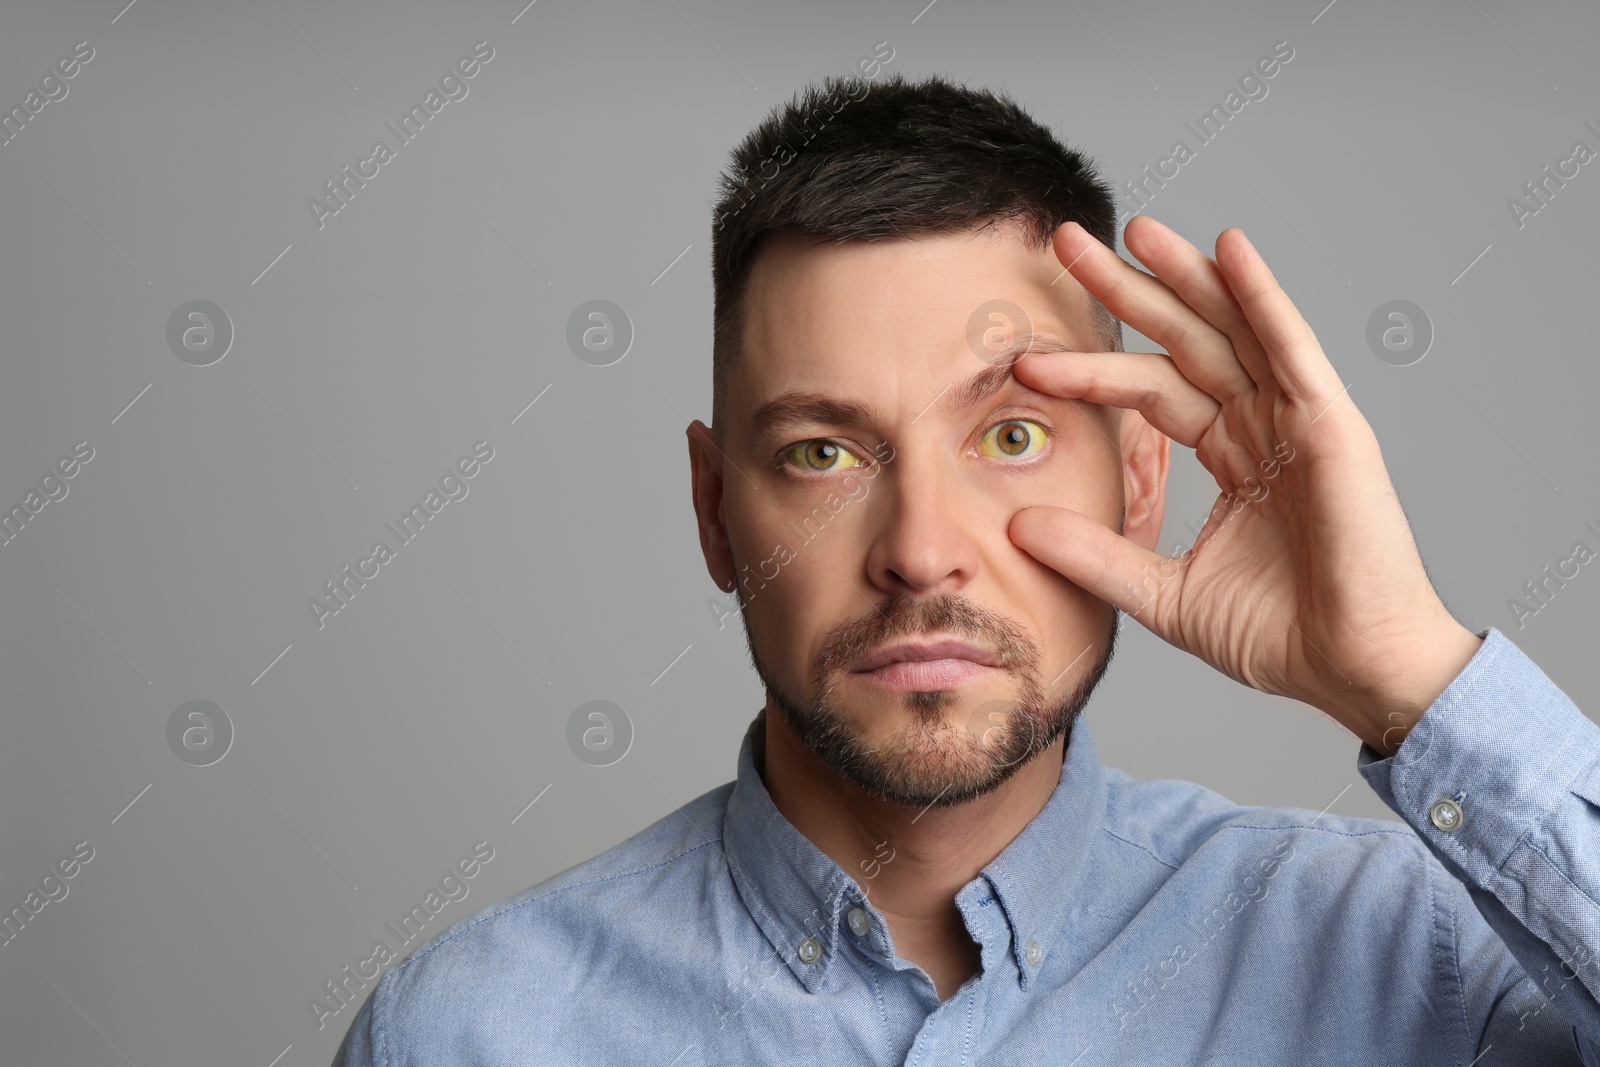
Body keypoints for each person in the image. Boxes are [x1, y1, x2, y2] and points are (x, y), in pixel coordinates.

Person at [332, 71, 1600, 1064]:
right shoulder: (465, 1032)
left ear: (1141, 483)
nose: (920, 551)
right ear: (715, 511)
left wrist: (1416, 680)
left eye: (1010, 434)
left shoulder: (1415, 960)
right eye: (825, 451)